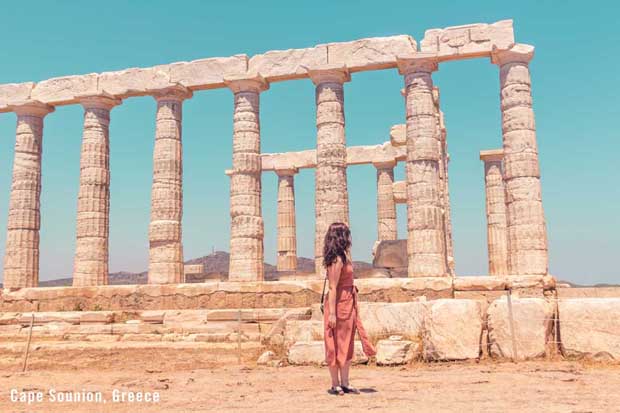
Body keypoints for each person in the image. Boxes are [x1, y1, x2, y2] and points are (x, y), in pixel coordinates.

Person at [322, 222, 376, 396]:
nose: (350, 237)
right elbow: (332, 287)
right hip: (338, 304)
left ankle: (345, 382)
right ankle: (335, 384)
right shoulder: (337, 259)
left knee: (347, 343)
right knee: (334, 344)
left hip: (347, 302)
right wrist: (331, 313)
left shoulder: (343, 256)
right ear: (341, 237)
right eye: (347, 234)